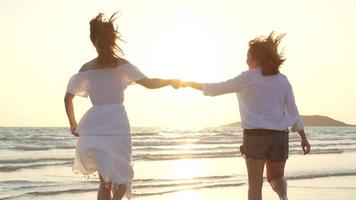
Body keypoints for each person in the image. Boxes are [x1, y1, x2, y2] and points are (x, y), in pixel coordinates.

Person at [178, 32, 311, 200]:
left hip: (255, 137)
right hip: (279, 136)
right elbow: (293, 111)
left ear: (256, 58)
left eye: (248, 56)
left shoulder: (247, 78)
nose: (246, 60)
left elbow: (217, 88)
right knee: (276, 178)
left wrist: (188, 84)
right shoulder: (282, 80)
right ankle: (283, 198)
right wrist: (303, 137)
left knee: (255, 184)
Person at [64, 13, 179, 200]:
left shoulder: (119, 66)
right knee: (106, 181)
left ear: (110, 42)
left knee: (122, 176)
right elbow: (67, 97)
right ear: (95, 43)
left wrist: (169, 81)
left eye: (106, 43)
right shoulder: (89, 68)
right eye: (100, 44)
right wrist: (72, 124)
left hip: (115, 126)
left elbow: (149, 83)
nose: (103, 48)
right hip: (101, 125)